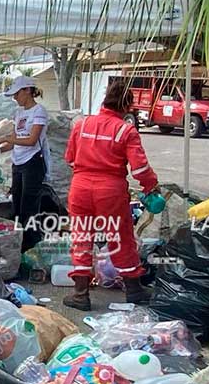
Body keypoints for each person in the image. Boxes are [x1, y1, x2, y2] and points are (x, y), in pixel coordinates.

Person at [62, 80, 160, 310]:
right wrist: (151, 187)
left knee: (81, 238)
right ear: (127, 104)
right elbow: (140, 169)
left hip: (81, 188)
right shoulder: (126, 130)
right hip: (111, 191)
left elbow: (69, 158)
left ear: (105, 99)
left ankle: (80, 294)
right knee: (120, 238)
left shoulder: (82, 124)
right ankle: (134, 290)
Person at [0, 75, 50, 257]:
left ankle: (31, 247)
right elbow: (16, 141)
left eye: (17, 94)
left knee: (29, 208)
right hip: (18, 162)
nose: (15, 98)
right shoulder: (19, 113)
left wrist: (6, 138)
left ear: (27, 91)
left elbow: (31, 140)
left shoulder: (39, 111)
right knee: (16, 205)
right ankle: (18, 245)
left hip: (33, 163)